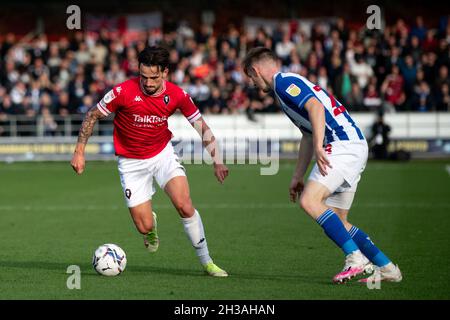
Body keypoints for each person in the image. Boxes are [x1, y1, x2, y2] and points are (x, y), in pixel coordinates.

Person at [242, 47, 402, 284]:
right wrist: (297, 175)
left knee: (310, 201)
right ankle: (387, 267)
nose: (253, 84)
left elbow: (316, 108)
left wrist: (320, 147)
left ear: (256, 70)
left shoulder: (284, 82)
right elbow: (307, 134)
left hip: (341, 145)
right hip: (351, 146)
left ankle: (355, 258)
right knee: (339, 220)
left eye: (251, 77)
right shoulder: (283, 89)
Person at [71, 46, 229, 277]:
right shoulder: (123, 91)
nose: (147, 82)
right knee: (143, 226)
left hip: (162, 155)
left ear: (165, 72)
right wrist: (79, 151)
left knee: (184, 205)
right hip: (131, 163)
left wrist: (217, 160)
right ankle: (150, 228)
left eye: (153, 77)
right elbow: (92, 114)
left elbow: (201, 126)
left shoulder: (177, 95)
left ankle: (207, 262)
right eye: (143, 76)